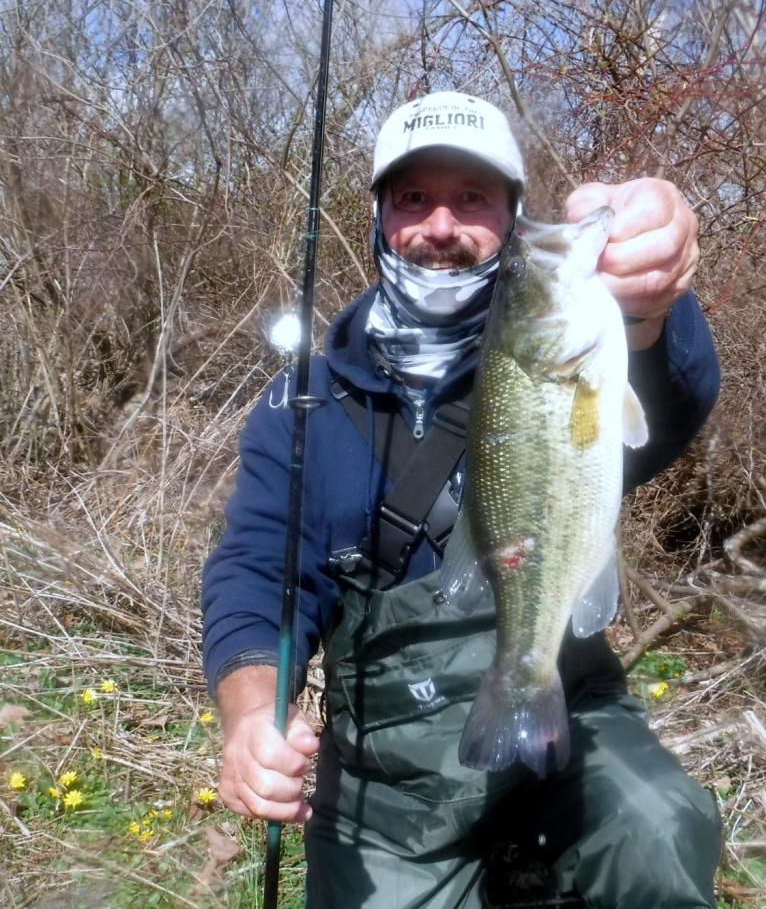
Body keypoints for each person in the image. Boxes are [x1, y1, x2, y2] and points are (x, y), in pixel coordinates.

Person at [202, 91, 723, 908]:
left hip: (573, 719)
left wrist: (653, 311)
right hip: (390, 781)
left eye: (472, 198)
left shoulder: (571, 331)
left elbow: (665, 408)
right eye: (414, 198)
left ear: (513, 219)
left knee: (657, 833)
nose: (441, 226)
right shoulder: (299, 406)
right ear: (379, 218)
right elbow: (259, 570)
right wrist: (249, 715)